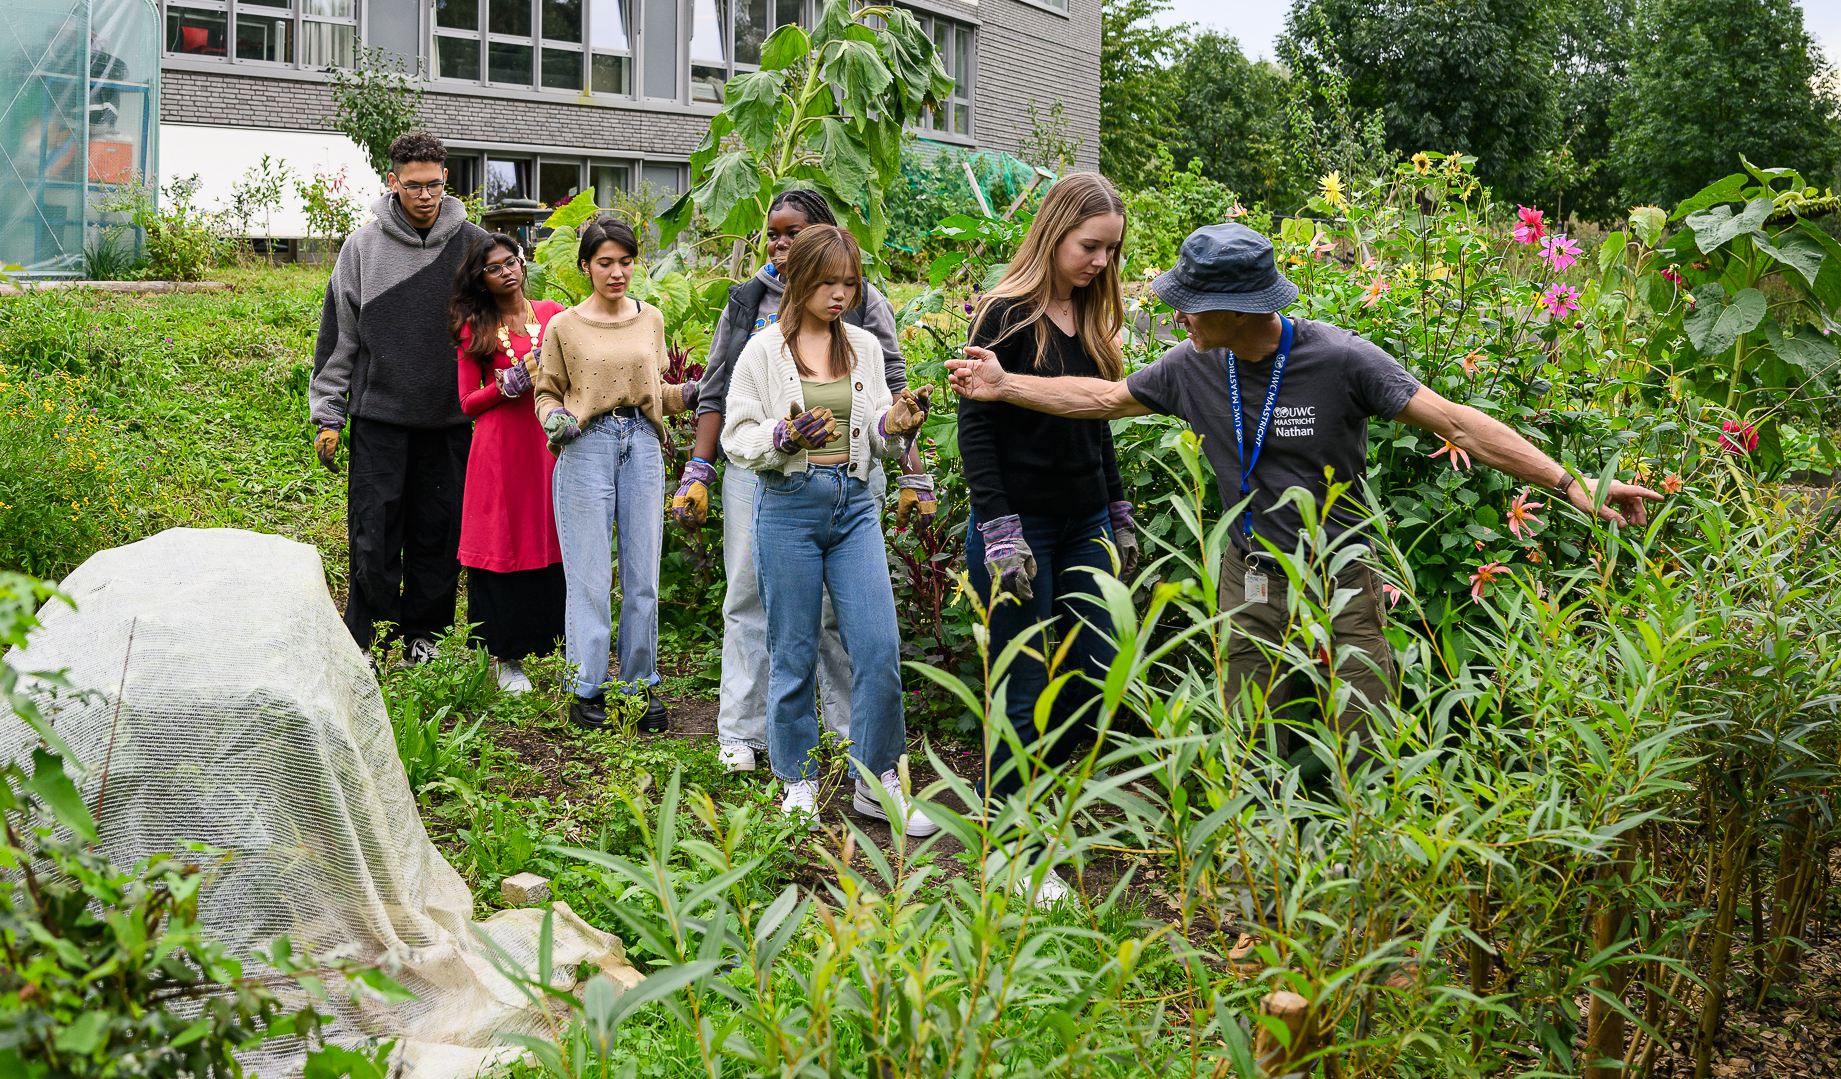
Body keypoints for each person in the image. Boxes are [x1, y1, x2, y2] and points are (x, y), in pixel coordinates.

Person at [948, 222, 1663, 755]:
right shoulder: (1190, 365)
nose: (1177, 314)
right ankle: (1252, 898)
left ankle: (1364, 887)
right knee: (1249, 731)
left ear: (1238, 305)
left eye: (1191, 302)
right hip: (1251, 572)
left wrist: (1573, 485)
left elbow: (1459, 424)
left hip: (1340, 569)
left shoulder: (1343, 359)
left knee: (1364, 723)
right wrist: (1006, 384)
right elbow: (1099, 398)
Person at [674, 188, 932, 773]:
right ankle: (775, 758)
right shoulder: (758, 333)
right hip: (782, 495)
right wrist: (777, 441)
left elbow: (880, 423)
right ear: (800, 280)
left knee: (872, 643)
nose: (840, 294)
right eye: (827, 284)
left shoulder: (864, 337)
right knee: (775, 630)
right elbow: (733, 417)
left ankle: (868, 765)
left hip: (852, 498)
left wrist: (900, 435)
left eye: (849, 283)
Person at [950, 170, 1136, 795]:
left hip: (1085, 522)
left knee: (1096, 671)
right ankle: (1012, 837)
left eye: (1111, 248)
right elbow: (975, 431)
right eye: (1090, 246)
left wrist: (1116, 506)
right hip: (1019, 523)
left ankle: (1035, 797)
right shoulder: (1004, 315)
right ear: (1055, 234)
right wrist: (999, 528)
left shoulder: (1090, 312)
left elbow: (1096, 418)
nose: (1101, 260)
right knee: (1022, 678)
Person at [310, 132, 479, 658]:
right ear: (392, 182)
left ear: (446, 180)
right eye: (413, 186)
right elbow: (339, 339)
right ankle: (369, 635)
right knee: (373, 529)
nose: (424, 195)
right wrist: (329, 416)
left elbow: (508, 327)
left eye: (433, 184)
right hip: (379, 416)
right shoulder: (362, 247)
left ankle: (422, 636)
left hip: (451, 418)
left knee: (438, 534)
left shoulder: (474, 245)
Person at [531, 216, 687, 731]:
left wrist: (687, 395)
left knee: (643, 575)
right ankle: (587, 687)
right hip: (585, 446)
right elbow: (547, 389)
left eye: (625, 262)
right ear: (585, 267)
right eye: (605, 263)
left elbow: (658, 391)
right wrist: (553, 418)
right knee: (590, 576)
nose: (617, 272)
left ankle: (641, 685)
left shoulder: (652, 319)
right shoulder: (564, 326)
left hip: (642, 444)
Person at [451, 230, 565, 694]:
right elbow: (466, 402)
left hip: (549, 444)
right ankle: (506, 659)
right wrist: (506, 384)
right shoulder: (474, 329)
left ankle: (555, 648)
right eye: (494, 267)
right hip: (498, 451)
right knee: (502, 542)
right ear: (481, 279)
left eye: (511, 261)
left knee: (550, 534)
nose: (507, 271)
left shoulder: (555, 316)